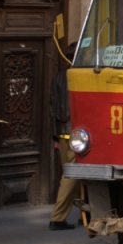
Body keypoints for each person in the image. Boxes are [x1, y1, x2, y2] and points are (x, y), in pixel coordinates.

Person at [49, 42, 79, 230]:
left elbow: (52, 108)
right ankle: (58, 218)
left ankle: (86, 214)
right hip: (77, 135)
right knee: (71, 176)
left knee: (72, 175)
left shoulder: (58, 77)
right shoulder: (80, 77)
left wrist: (55, 137)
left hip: (62, 133)